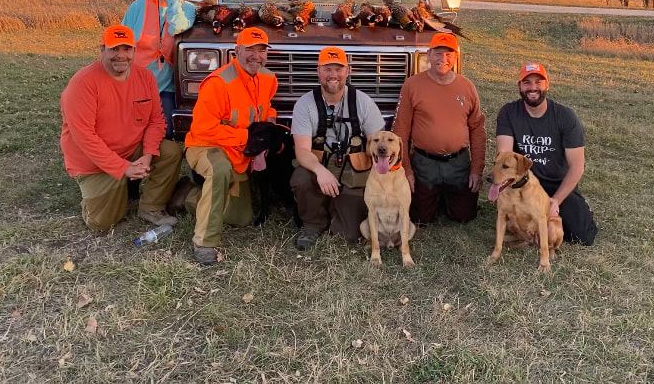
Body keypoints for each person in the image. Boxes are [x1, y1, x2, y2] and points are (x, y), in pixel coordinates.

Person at [59, 25, 182, 231]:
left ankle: (151, 207)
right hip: (94, 161)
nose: (121, 56)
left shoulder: (145, 77)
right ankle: (93, 201)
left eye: (127, 49)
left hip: (131, 149)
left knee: (171, 152)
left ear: (134, 51)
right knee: (102, 223)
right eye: (114, 49)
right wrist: (123, 167)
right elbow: (84, 138)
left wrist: (149, 154)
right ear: (102, 50)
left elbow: (156, 120)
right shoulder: (83, 83)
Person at [183, 27, 278, 264]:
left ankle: (188, 195)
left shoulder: (268, 79)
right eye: (250, 50)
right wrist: (248, 139)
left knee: (241, 217)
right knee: (219, 170)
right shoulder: (218, 83)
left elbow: (265, 110)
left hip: (237, 152)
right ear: (236, 51)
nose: (256, 56)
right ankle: (205, 243)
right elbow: (203, 129)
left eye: (261, 50)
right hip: (206, 145)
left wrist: (270, 123)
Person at [290, 47, 385, 250]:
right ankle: (313, 224)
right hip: (321, 167)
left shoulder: (364, 103)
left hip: (353, 171)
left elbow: (380, 145)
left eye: (338, 69)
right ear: (318, 72)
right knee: (302, 177)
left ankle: (338, 212)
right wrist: (320, 171)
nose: (333, 75)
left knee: (350, 235)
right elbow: (302, 151)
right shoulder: (304, 104)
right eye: (327, 69)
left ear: (347, 71)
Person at [495, 63, 598, 245]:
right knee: (522, 230)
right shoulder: (509, 113)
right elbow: (504, 154)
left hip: (556, 184)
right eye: (526, 83)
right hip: (525, 183)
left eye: (538, 82)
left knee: (582, 237)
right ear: (519, 86)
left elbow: (577, 166)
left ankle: (572, 211)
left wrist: (555, 202)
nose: (533, 88)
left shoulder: (565, 117)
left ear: (547, 85)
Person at [392, 32, 486, 225]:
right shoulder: (412, 85)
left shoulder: (467, 87)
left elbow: (477, 128)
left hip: (458, 163)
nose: (443, 59)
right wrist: (406, 170)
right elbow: (401, 129)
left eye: (448, 54)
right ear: (429, 54)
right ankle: (433, 197)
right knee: (420, 220)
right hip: (425, 163)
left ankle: (446, 197)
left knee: (464, 216)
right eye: (438, 53)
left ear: (456, 57)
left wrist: (476, 169)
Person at [122, 0, 196, 138]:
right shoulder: (138, 6)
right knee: (130, 131)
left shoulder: (187, 9)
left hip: (166, 88)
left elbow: (177, 26)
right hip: (134, 82)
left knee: (165, 132)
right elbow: (122, 44)